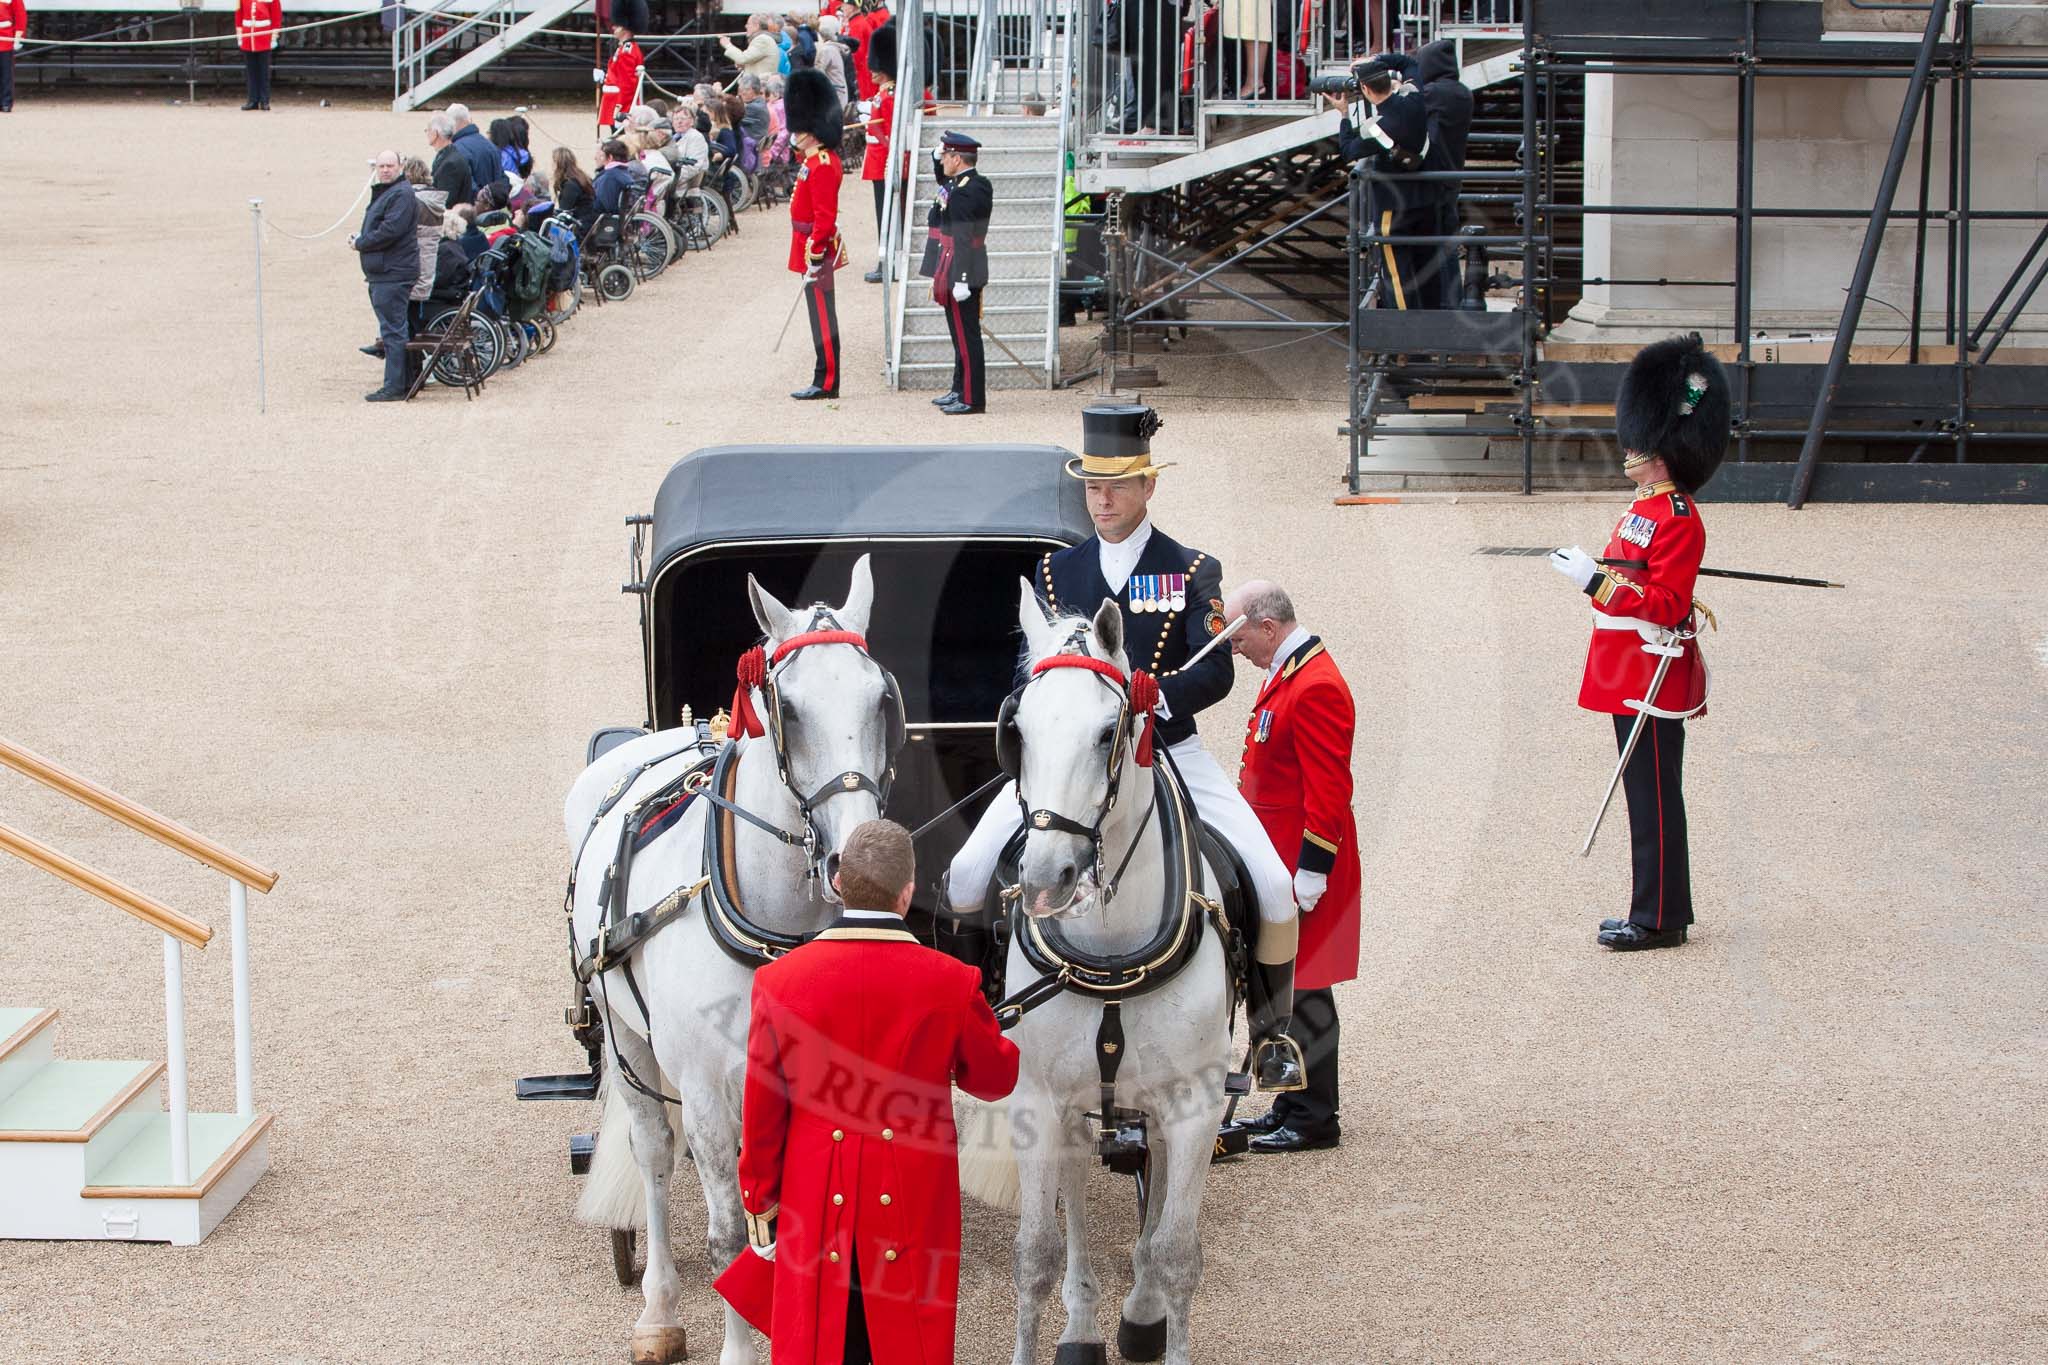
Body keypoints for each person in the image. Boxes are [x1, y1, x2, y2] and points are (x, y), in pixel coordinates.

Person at [946, 405, 1308, 1093]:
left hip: (1166, 750)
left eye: (1117, 485)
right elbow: (1030, 673)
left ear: (1148, 485)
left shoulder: (1191, 568)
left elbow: (1217, 669)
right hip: (1072, 762)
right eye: (1091, 486)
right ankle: (986, 1015)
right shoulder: (1056, 573)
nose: (1102, 499)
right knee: (966, 873)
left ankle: (1270, 1036)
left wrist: (1158, 696)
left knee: (1274, 885)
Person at [715, 819, 1020, 1365]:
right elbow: (995, 1079)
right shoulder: (951, 981)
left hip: (814, 1186)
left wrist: (760, 1198)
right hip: (913, 1188)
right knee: (908, 1338)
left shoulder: (779, 982)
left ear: (838, 883)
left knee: (820, 1336)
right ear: (908, 892)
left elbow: (762, 1113)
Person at [1549, 334, 1729, 952]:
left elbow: (1667, 604)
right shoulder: (1644, 508)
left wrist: (1595, 581)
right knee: (1643, 793)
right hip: (1629, 668)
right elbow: (1634, 577)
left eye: (1641, 441)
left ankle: (1659, 919)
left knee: (1653, 796)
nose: (1631, 449)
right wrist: (1596, 575)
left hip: (1653, 672)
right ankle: (1651, 906)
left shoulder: (1677, 516)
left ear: (1664, 449)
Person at [1221, 580, 1360, 1154]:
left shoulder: (1316, 685)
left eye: (1240, 636)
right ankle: (1289, 1099)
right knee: (1282, 982)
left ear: (1268, 627)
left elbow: (1328, 791)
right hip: (1279, 855)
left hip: (1303, 863)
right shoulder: (1292, 673)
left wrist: (1313, 868)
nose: (1236, 647)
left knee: (1306, 986)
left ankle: (1314, 1116)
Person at [1326, 55, 1431, 310]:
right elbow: (1410, 64)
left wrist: (1343, 114)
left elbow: (1349, 150)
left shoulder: (1378, 128)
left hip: (1391, 204)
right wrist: (1378, 59)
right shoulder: (1415, 99)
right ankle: (1421, 328)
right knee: (1418, 267)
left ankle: (1408, 335)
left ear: (1365, 89)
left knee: (1396, 273)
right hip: (1421, 195)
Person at [1379, 41, 1472, 308]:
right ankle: (1451, 305)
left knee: (1436, 249)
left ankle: (1445, 308)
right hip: (1450, 175)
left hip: (1435, 180)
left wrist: (1393, 89)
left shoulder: (1436, 94)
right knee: (1445, 245)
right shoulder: (1461, 92)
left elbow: (1407, 105)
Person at [784, 67, 845, 401]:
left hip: (815, 247)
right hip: (807, 244)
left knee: (823, 316)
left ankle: (827, 380)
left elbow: (825, 216)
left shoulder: (822, 163)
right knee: (817, 314)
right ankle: (823, 376)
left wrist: (816, 250)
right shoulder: (813, 158)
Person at [351, 150, 419, 402]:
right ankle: (404, 380)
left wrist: (362, 242)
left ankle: (395, 385)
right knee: (395, 328)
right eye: (381, 166)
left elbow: (390, 230)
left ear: (401, 166)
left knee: (393, 330)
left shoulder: (401, 194)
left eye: (390, 165)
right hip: (386, 271)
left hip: (393, 272)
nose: (385, 170)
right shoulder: (391, 192)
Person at [930, 130, 990, 415]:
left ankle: (972, 397)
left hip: (964, 266)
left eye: (945, 156)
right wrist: (934, 162)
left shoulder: (970, 189)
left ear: (956, 159)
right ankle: (959, 388)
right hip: (954, 261)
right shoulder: (963, 183)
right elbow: (946, 187)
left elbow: (965, 236)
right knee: (959, 336)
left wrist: (963, 278)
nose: (942, 160)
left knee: (967, 336)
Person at [855, 20, 897, 283]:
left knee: (887, 216)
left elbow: (890, 135)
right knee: (883, 215)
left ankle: (888, 264)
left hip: (884, 161)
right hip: (878, 160)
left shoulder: (888, 96)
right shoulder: (883, 95)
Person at [448, 104, 508, 205]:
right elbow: (503, 179)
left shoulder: (457, 149)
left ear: (451, 125)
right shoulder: (490, 145)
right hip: (495, 210)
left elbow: (467, 185)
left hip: (473, 210)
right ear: (469, 120)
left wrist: (481, 200)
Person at [597, 20, 643, 133]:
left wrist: (620, 109)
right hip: (614, 99)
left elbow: (627, 84)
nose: (613, 28)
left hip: (618, 101)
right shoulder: (624, 48)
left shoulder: (627, 51)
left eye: (617, 25)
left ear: (626, 28)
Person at [235, 0, 280, 111]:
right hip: (248, 37)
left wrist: (273, 37)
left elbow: (276, 17)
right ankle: (252, 100)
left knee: (263, 72)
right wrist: (240, 36)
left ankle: (264, 101)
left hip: (264, 37)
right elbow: (239, 15)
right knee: (251, 72)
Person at [425, 113, 474, 207]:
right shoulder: (450, 155)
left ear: (435, 133)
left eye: (428, 130)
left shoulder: (450, 164)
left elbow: (445, 202)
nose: (426, 133)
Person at [721, 12, 781, 83]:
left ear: (756, 26)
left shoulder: (763, 39)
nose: (746, 26)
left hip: (760, 86)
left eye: (748, 23)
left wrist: (728, 45)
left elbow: (742, 58)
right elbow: (755, 62)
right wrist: (745, 66)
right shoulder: (764, 39)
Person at [592, 138, 638, 218]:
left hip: (601, 221)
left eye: (602, 156)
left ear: (610, 157)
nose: (599, 159)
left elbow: (607, 206)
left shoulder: (610, 176)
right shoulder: (624, 172)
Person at [552, 145, 596, 227]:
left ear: (558, 164)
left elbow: (564, 211)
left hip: (579, 226)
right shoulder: (582, 177)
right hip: (587, 222)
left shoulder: (570, 186)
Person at [814, 13, 850, 105]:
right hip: (839, 91)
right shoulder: (834, 47)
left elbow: (818, 72)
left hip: (834, 93)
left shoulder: (827, 50)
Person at [0, 0, 24, 114]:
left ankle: (5, 102)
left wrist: (17, 37)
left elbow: (20, 15)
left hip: (5, 39)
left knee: (6, 73)